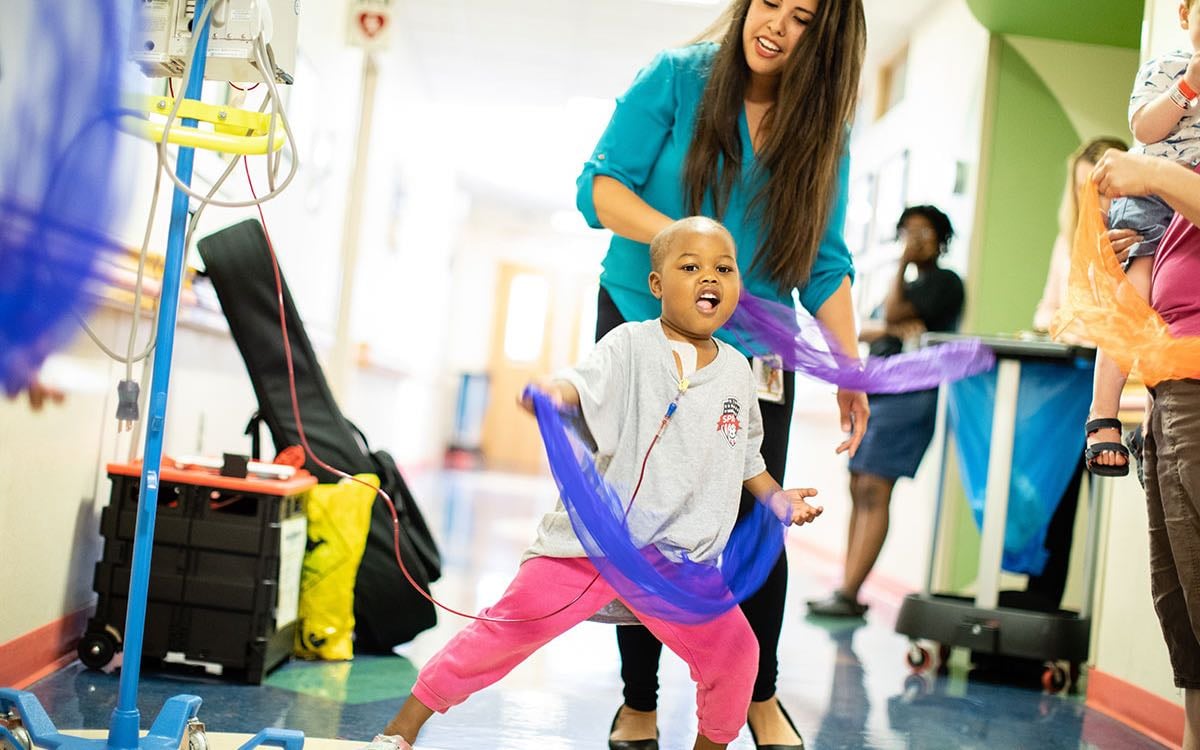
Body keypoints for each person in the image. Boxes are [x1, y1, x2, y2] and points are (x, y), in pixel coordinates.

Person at [368, 218, 824, 750]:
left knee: (737, 655)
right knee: (504, 632)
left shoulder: (739, 373)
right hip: (591, 547)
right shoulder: (629, 344)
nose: (710, 278)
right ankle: (401, 731)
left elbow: (747, 454)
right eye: (691, 266)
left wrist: (776, 497)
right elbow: (581, 383)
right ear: (657, 285)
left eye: (724, 269)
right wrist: (555, 392)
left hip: (676, 562)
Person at [575, 1, 868, 746]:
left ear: (825, 37)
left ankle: (757, 695)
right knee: (643, 515)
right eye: (769, 2)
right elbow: (599, 190)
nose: (776, 25)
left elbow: (824, 261)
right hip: (646, 321)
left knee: (756, 515)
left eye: (803, 17)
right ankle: (639, 699)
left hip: (757, 344)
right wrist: (684, 246)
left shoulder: (821, 133)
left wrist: (850, 370)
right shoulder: (677, 79)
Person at [1091, 148, 1200, 750]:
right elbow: (1130, 308)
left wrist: (1155, 174)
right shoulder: (1173, 179)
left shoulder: (1167, 174)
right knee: (1181, 603)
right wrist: (1101, 417)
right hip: (1169, 390)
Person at [806, 206, 964, 618]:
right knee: (859, 486)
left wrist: (901, 270)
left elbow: (891, 315)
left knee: (876, 489)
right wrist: (892, 326)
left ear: (941, 238)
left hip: (909, 397)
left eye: (924, 232)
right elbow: (867, 328)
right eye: (908, 232)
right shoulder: (909, 285)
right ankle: (846, 588)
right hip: (880, 394)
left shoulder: (945, 283)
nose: (915, 239)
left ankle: (850, 592)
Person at [1086, 0, 1200, 477]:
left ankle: (1146, 409)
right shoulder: (1167, 66)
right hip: (1154, 197)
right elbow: (1143, 129)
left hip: (1190, 200)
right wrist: (1189, 84)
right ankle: (1103, 414)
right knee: (1133, 301)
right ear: (1183, 15)